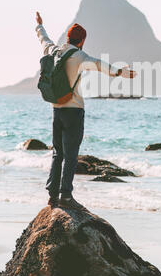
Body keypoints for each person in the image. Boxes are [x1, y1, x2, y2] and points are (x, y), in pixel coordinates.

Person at [35, 12, 136, 210]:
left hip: (56, 111)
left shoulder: (54, 51)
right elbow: (99, 65)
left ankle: (52, 195)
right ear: (81, 41)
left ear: (67, 38)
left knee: (58, 153)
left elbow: (44, 40)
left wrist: (39, 26)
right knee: (71, 155)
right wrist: (121, 73)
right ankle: (66, 196)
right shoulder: (79, 56)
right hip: (73, 111)